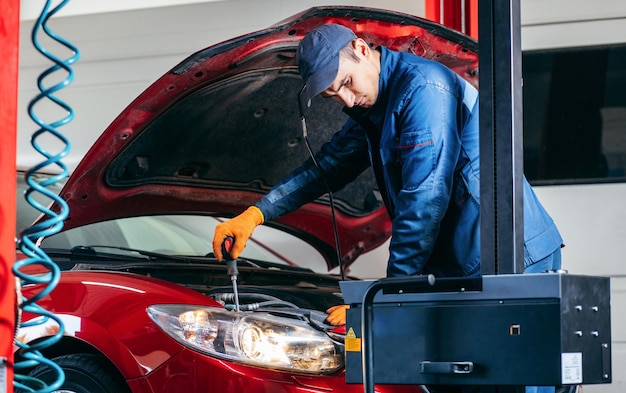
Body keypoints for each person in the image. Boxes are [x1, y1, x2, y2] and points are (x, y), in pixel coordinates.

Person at [212, 25, 563, 392]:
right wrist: (257, 213)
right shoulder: (375, 107)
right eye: (335, 95)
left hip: (509, 259)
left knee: (511, 379)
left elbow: (423, 203)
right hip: (464, 266)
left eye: (346, 82)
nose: (346, 100)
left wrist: (384, 300)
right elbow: (326, 167)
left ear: (362, 49)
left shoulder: (422, 91)